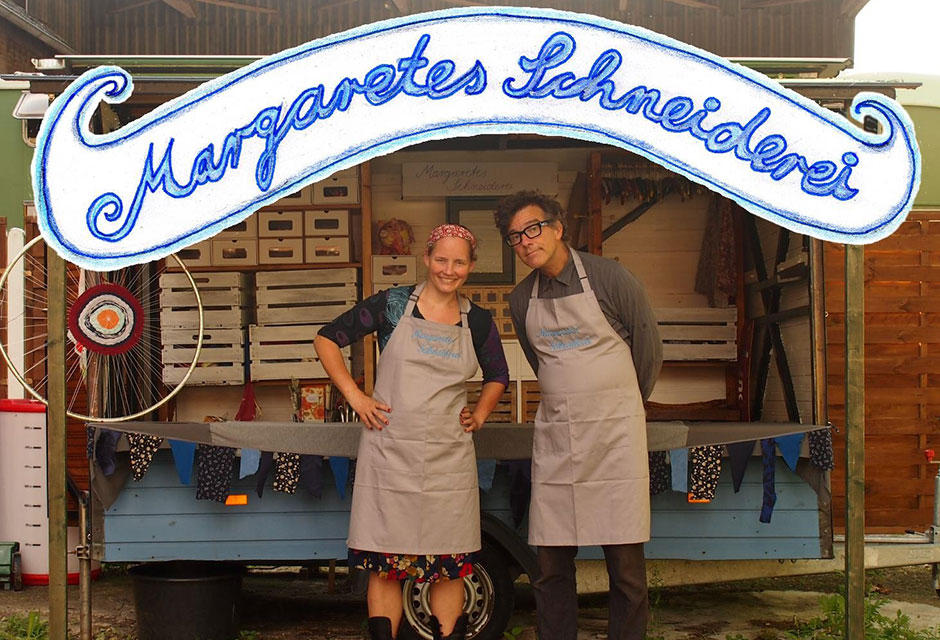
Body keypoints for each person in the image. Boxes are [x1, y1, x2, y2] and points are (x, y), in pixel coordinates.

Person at [314, 224, 509, 640]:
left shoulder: (477, 321)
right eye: (442, 259)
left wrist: (480, 414)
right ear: (427, 258)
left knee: (448, 564)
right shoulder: (393, 304)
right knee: (386, 563)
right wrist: (356, 397)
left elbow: (498, 375)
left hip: (448, 460)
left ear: (471, 267)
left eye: (459, 262)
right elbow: (328, 338)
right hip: (390, 454)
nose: (449, 270)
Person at [494, 191, 662, 640]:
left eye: (533, 229)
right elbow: (540, 363)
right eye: (515, 237)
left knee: (625, 571)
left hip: (615, 442)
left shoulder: (610, 279)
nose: (526, 241)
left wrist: (622, 404)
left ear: (557, 227)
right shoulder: (520, 300)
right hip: (558, 443)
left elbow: (648, 349)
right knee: (550, 567)